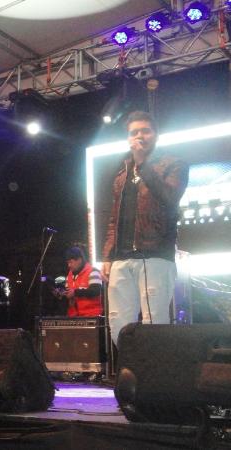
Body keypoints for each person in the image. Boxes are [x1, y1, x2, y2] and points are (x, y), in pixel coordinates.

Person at [101, 111, 189, 345]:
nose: (139, 136)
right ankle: (130, 365)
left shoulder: (174, 165)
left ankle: (156, 369)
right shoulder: (122, 173)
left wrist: (143, 164)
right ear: (128, 138)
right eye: (134, 132)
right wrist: (108, 256)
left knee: (155, 323)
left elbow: (169, 198)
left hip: (154, 255)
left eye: (145, 131)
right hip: (122, 258)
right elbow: (114, 218)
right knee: (118, 325)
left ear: (156, 135)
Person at [54, 246, 103, 317]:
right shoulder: (69, 275)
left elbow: (95, 291)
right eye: (68, 263)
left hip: (91, 315)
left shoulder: (93, 272)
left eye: (71, 262)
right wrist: (62, 294)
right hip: (73, 316)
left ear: (79, 260)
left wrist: (75, 292)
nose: (69, 265)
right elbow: (69, 293)